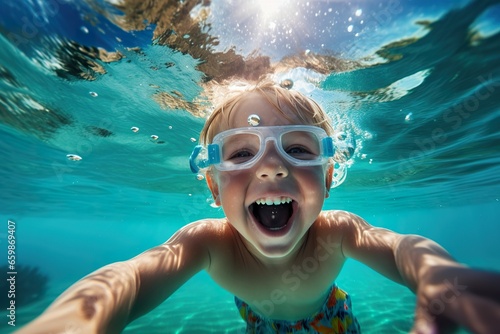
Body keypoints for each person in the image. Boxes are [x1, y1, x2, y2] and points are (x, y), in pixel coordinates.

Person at [18, 81, 500, 334]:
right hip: (258, 322)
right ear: (212, 187)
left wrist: (435, 271)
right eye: (241, 153)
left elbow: (396, 248)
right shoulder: (206, 243)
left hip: (330, 318)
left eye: (300, 148)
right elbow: (131, 276)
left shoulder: (335, 231)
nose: (271, 168)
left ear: (329, 177)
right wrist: (78, 319)